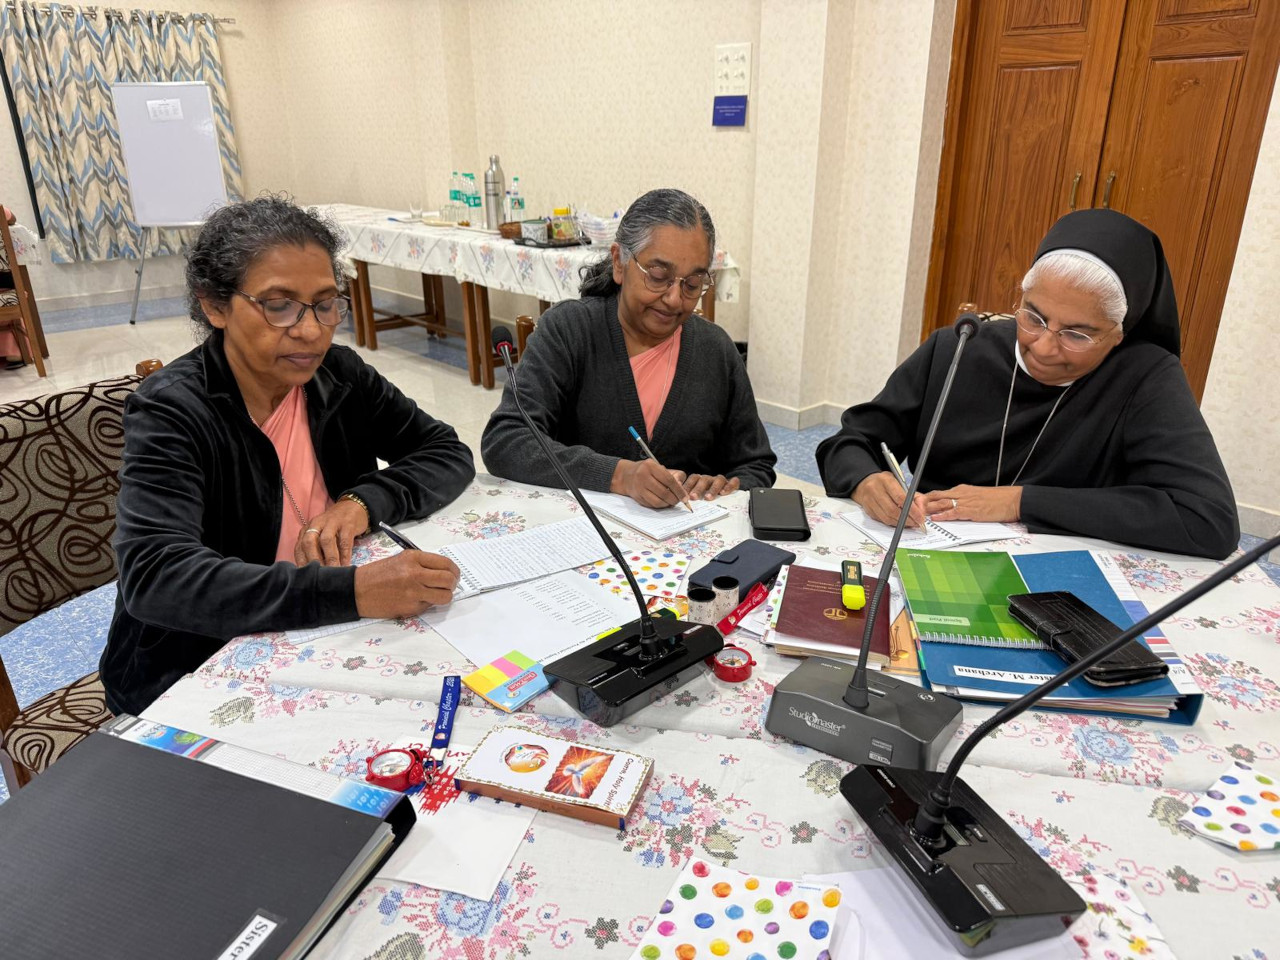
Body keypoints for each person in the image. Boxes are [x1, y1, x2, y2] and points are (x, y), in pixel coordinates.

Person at [101, 196, 476, 715]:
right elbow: (157, 577)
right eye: (279, 305)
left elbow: (445, 451)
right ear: (214, 306)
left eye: (325, 303)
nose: (311, 330)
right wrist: (352, 591)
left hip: (324, 637)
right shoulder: (173, 410)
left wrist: (362, 502)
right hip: (197, 663)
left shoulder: (337, 376)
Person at [817, 208, 1239, 560]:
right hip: (932, 551)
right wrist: (866, 481)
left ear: (1119, 333)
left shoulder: (1145, 377)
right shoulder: (959, 347)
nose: (1044, 347)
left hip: (1061, 574)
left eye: (1077, 334)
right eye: (1033, 317)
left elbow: (1208, 519)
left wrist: (1018, 501)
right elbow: (849, 442)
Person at [482, 188, 776, 505]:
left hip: (689, 532)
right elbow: (506, 441)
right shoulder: (570, 331)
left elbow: (755, 465)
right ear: (619, 263)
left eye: (692, 284)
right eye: (658, 276)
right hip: (581, 526)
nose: (674, 299)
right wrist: (619, 476)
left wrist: (725, 487)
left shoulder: (716, 350)